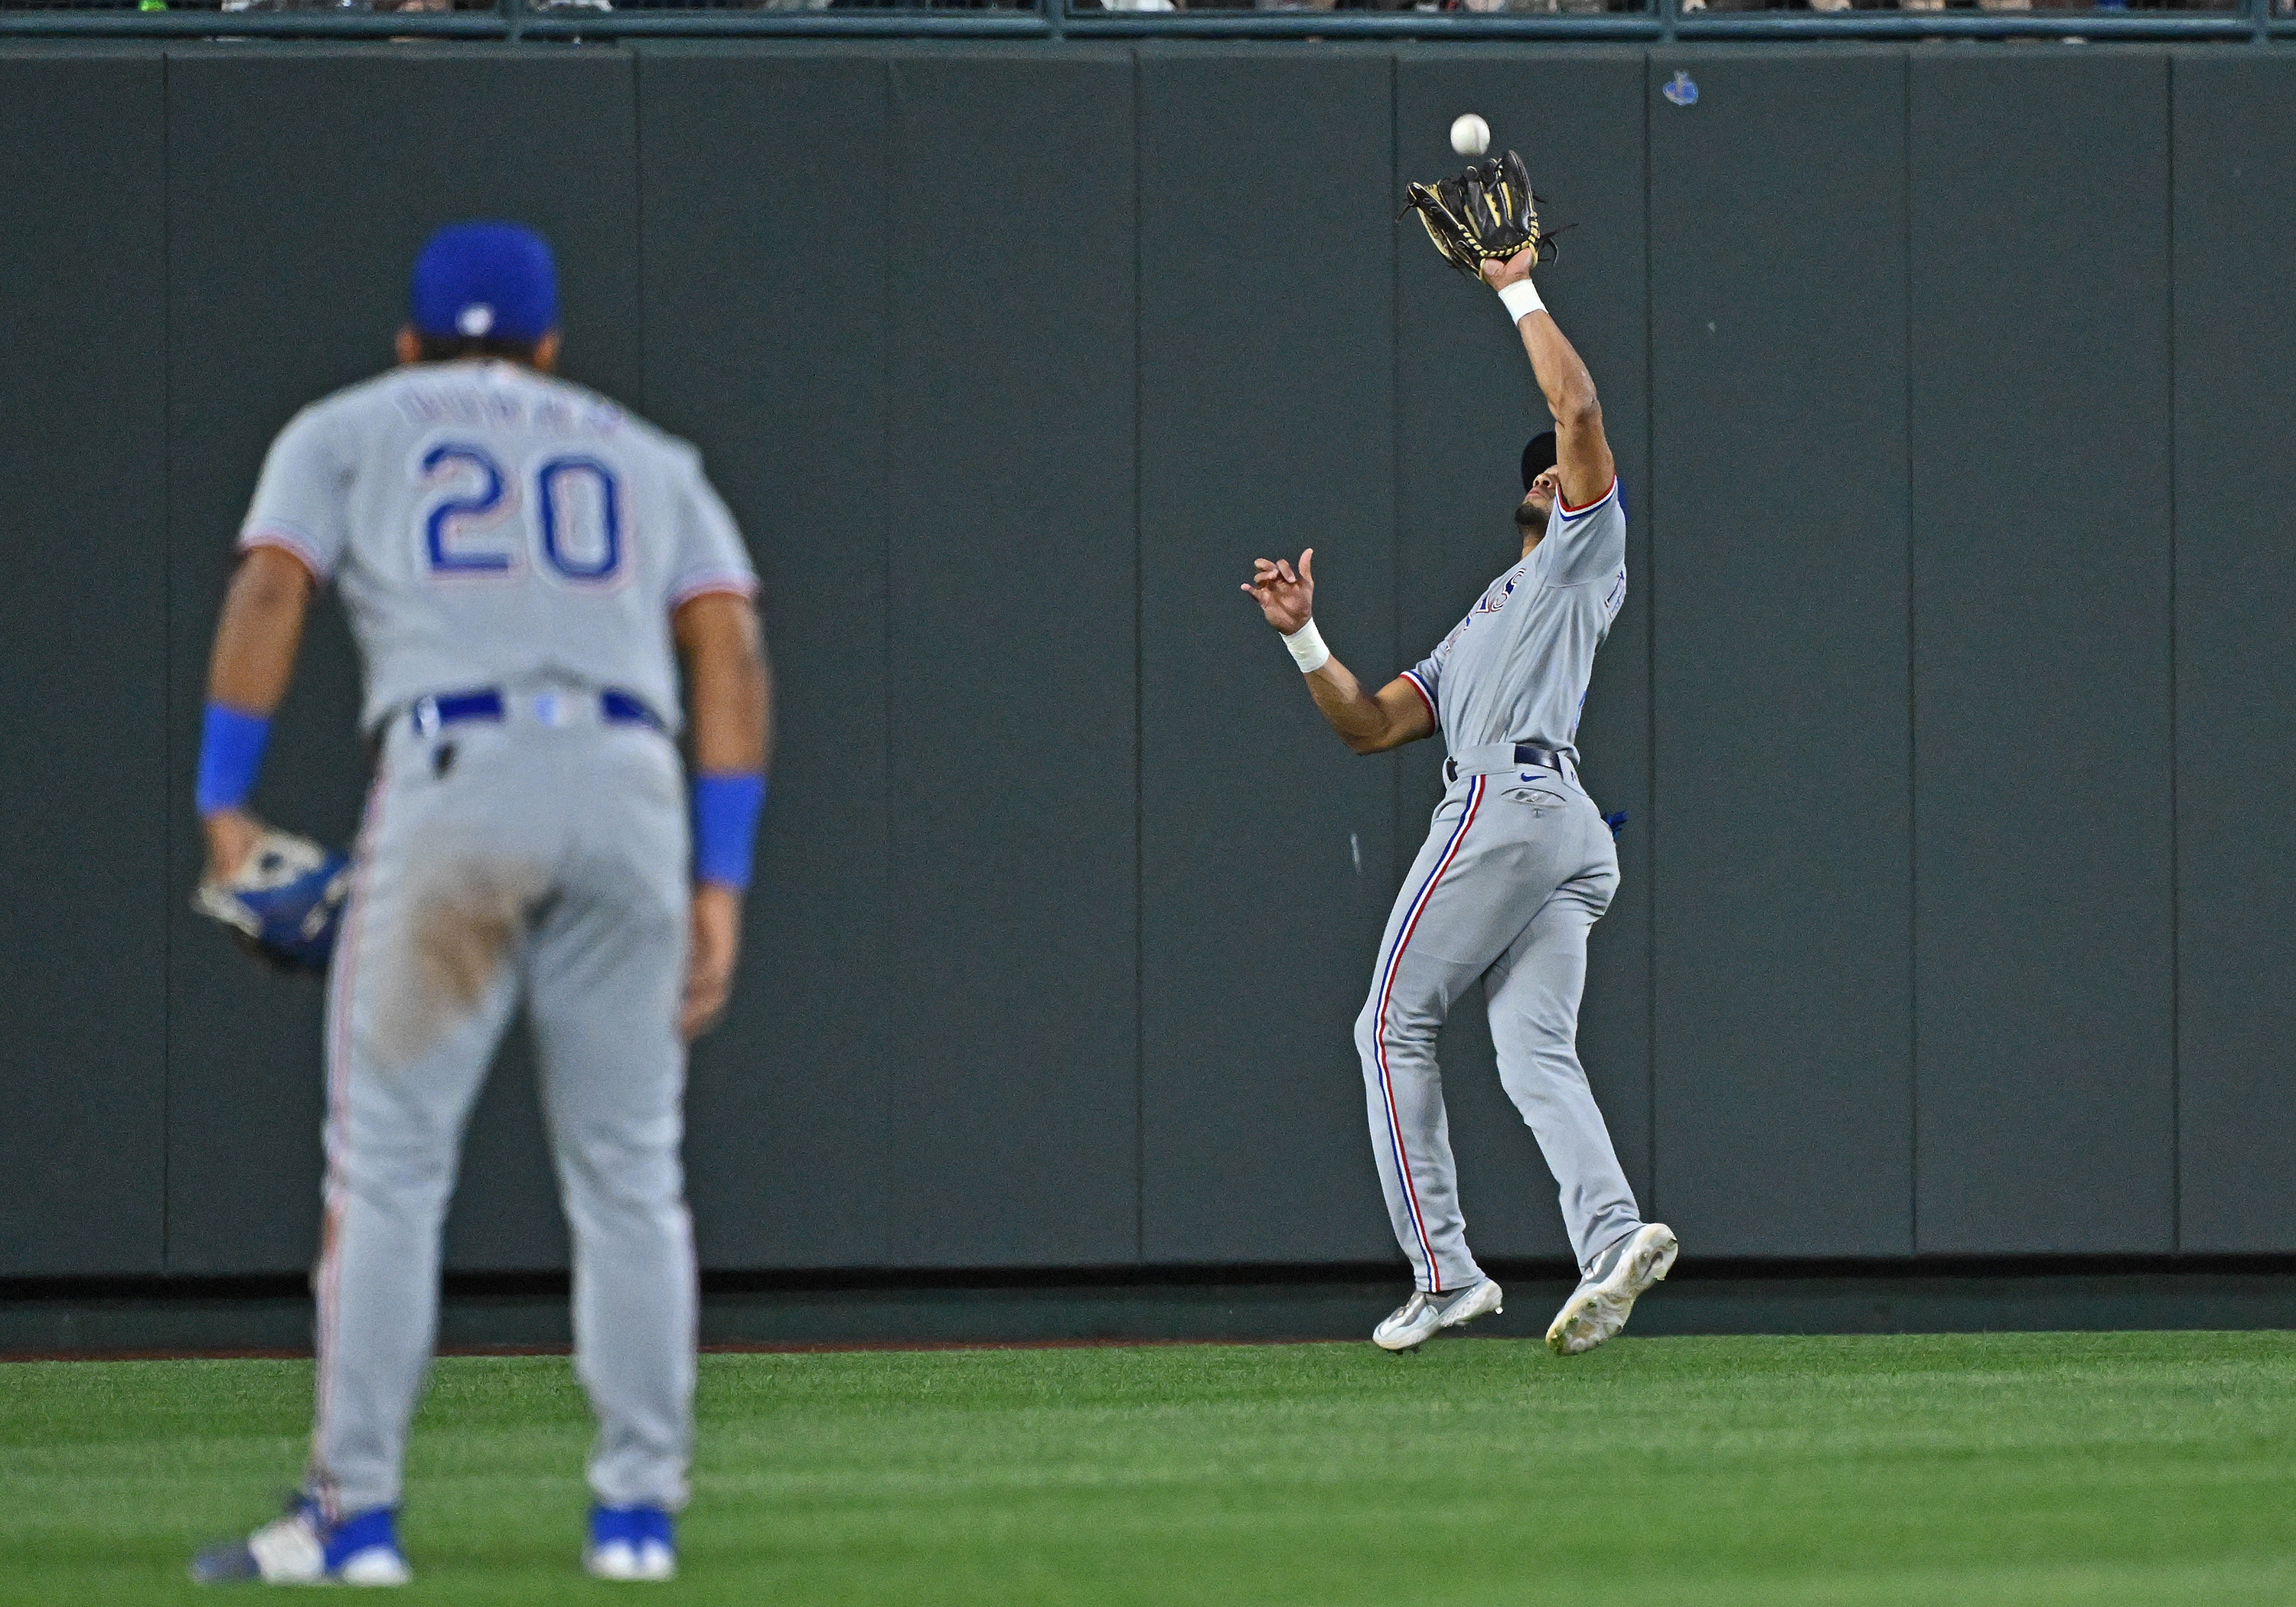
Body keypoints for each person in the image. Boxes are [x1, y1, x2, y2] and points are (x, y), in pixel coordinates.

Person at [191, 221, 771, 1585]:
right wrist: (722, 877)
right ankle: (635, 1521)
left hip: (459, 774)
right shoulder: (643, 449)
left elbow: (274, 581)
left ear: (409, 340)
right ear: (551, 345)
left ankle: (359, 1515)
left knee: (387, 1171)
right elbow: (729, 638)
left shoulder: (349, 424)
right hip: (630, 778)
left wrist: (227, 803)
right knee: (632, 1178)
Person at [1242, 239, 1674, 1358]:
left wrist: (1516, 288)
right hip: (1561, 827)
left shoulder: (1586, 548)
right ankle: (1614, 1234)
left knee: (1389, 1023)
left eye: (1559, 468)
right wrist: (1306, 643)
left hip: (1511, 803)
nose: (1548, 471)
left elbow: (1575, 409)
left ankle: (1444, 1274)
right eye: (1534, 467)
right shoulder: (1493, 606)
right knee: (1532, 1046)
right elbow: (1372, 725)